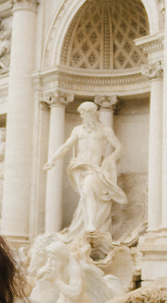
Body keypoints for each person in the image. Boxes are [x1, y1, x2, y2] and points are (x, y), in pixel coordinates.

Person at [44, 102, 127, 238]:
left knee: (88, 190)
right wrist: (52, 160)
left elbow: (119, 147)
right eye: (81, 113)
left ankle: (91, 225)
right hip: (79, 167)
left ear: (92, 113)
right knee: (85, 196)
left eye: (84, 113)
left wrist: (111, 158)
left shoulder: (105, 130)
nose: (82, 116)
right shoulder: (78, 130)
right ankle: (87, 224)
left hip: (95, 168)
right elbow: (66, 146)